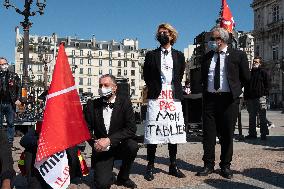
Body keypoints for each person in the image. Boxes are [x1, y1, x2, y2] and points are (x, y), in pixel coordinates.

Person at [197, 27, 250, 179]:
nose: (211, 42)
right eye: (211, 39)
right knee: (208, 134)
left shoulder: (238, 55)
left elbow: (246, 76)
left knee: (227, 134)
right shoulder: (207, 57)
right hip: (210, 100)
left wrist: (237, 92)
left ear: (222, 40)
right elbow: (203, 77)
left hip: (229, 100)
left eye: (213, 39)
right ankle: (208, 164)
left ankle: (225, 165)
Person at [143, 23, 186, 181]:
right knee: (154, 130)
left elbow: (179, 74)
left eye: (165, 32)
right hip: (157, 96)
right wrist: (155, 87)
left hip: (173, 96)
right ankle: (150, 165)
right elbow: (146, 74)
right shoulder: (151, 55)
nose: (162, 34)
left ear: (171, 35)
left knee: (172, 131)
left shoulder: (179, 55)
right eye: (160, 32)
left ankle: (173, 164)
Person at [83, 74, 138, 189]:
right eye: (100, 85)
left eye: (106, 85)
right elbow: (86, 129)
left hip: (120, 145)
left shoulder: (125, 103)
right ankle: (106, 175)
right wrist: (95, 143)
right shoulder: (92, 104)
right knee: (102, 184)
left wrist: (109, 140)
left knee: (132, 146)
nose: (102, 88)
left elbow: (131, 129)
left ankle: (123, 177)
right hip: (102, 149)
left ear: (114, 87)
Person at [244, 56, 270, 140]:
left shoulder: (263, 72)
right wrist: (246, 97)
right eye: (253, 62)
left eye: (256, 62)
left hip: (260, 97)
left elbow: (267, 84)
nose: (254, 63)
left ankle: (263, 134)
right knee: (252, 117)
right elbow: (246, 86)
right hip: (251, 98)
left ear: (260, 63)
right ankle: (252, 134)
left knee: (262, 117)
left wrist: (264, 94)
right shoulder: (250, 73)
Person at [0, 57, 21, 145]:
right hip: (0, 102)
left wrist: (18, 99)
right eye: (1, 64)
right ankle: (1, 141)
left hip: (10, 102)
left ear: (7, 64)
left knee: (11, 123)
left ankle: (9, 142)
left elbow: (19, 87)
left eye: (4, 64)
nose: (3, 66)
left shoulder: (14, 75)